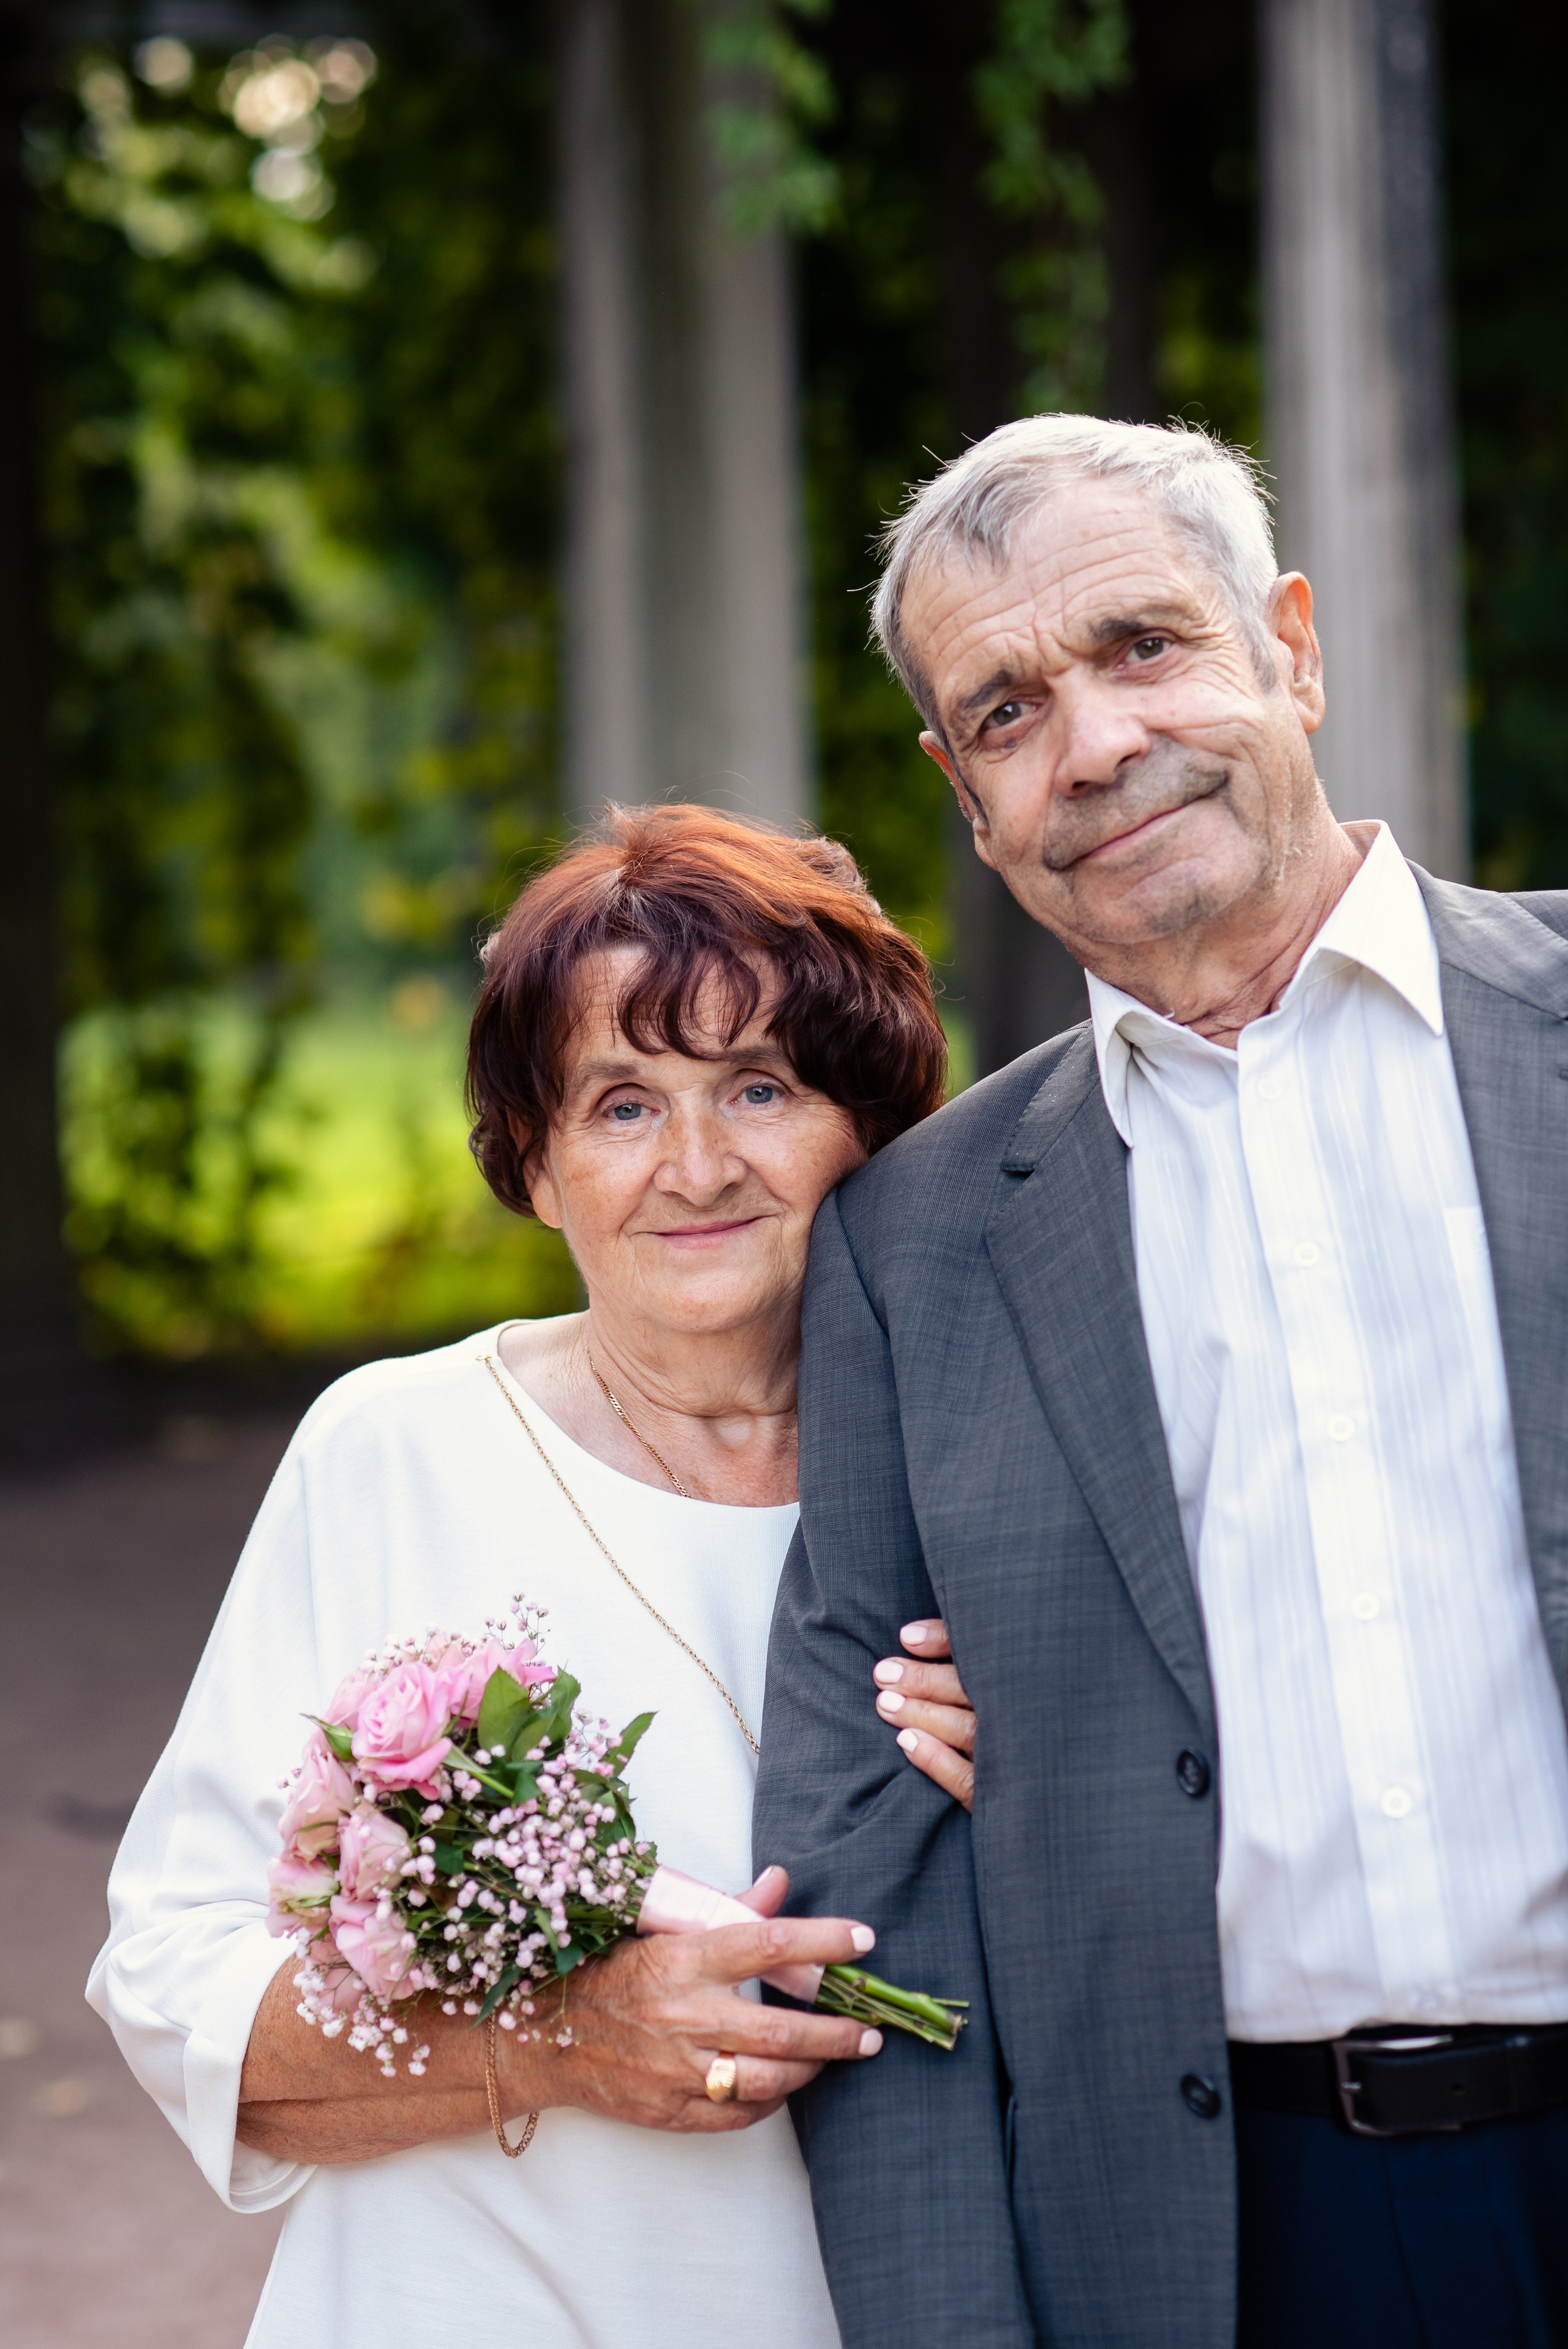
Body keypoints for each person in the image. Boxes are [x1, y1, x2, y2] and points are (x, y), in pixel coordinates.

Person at [753, 417, 1568, 2349]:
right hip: (1216, 2247)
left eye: (1144, 645)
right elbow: (871, 1886)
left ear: (1289, 645)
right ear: (966, 793)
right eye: (1012, 707)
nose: (1099, 743)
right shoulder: (910, 1245)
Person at [88, 805, 975, 2349]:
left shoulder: (990, 1471)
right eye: (620, 1105)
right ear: (537, 1165)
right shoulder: (395, 1451)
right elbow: (176, 1980)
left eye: (758, 1087)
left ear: (868, 1130)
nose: (696, 1166)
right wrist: (550, 2040)